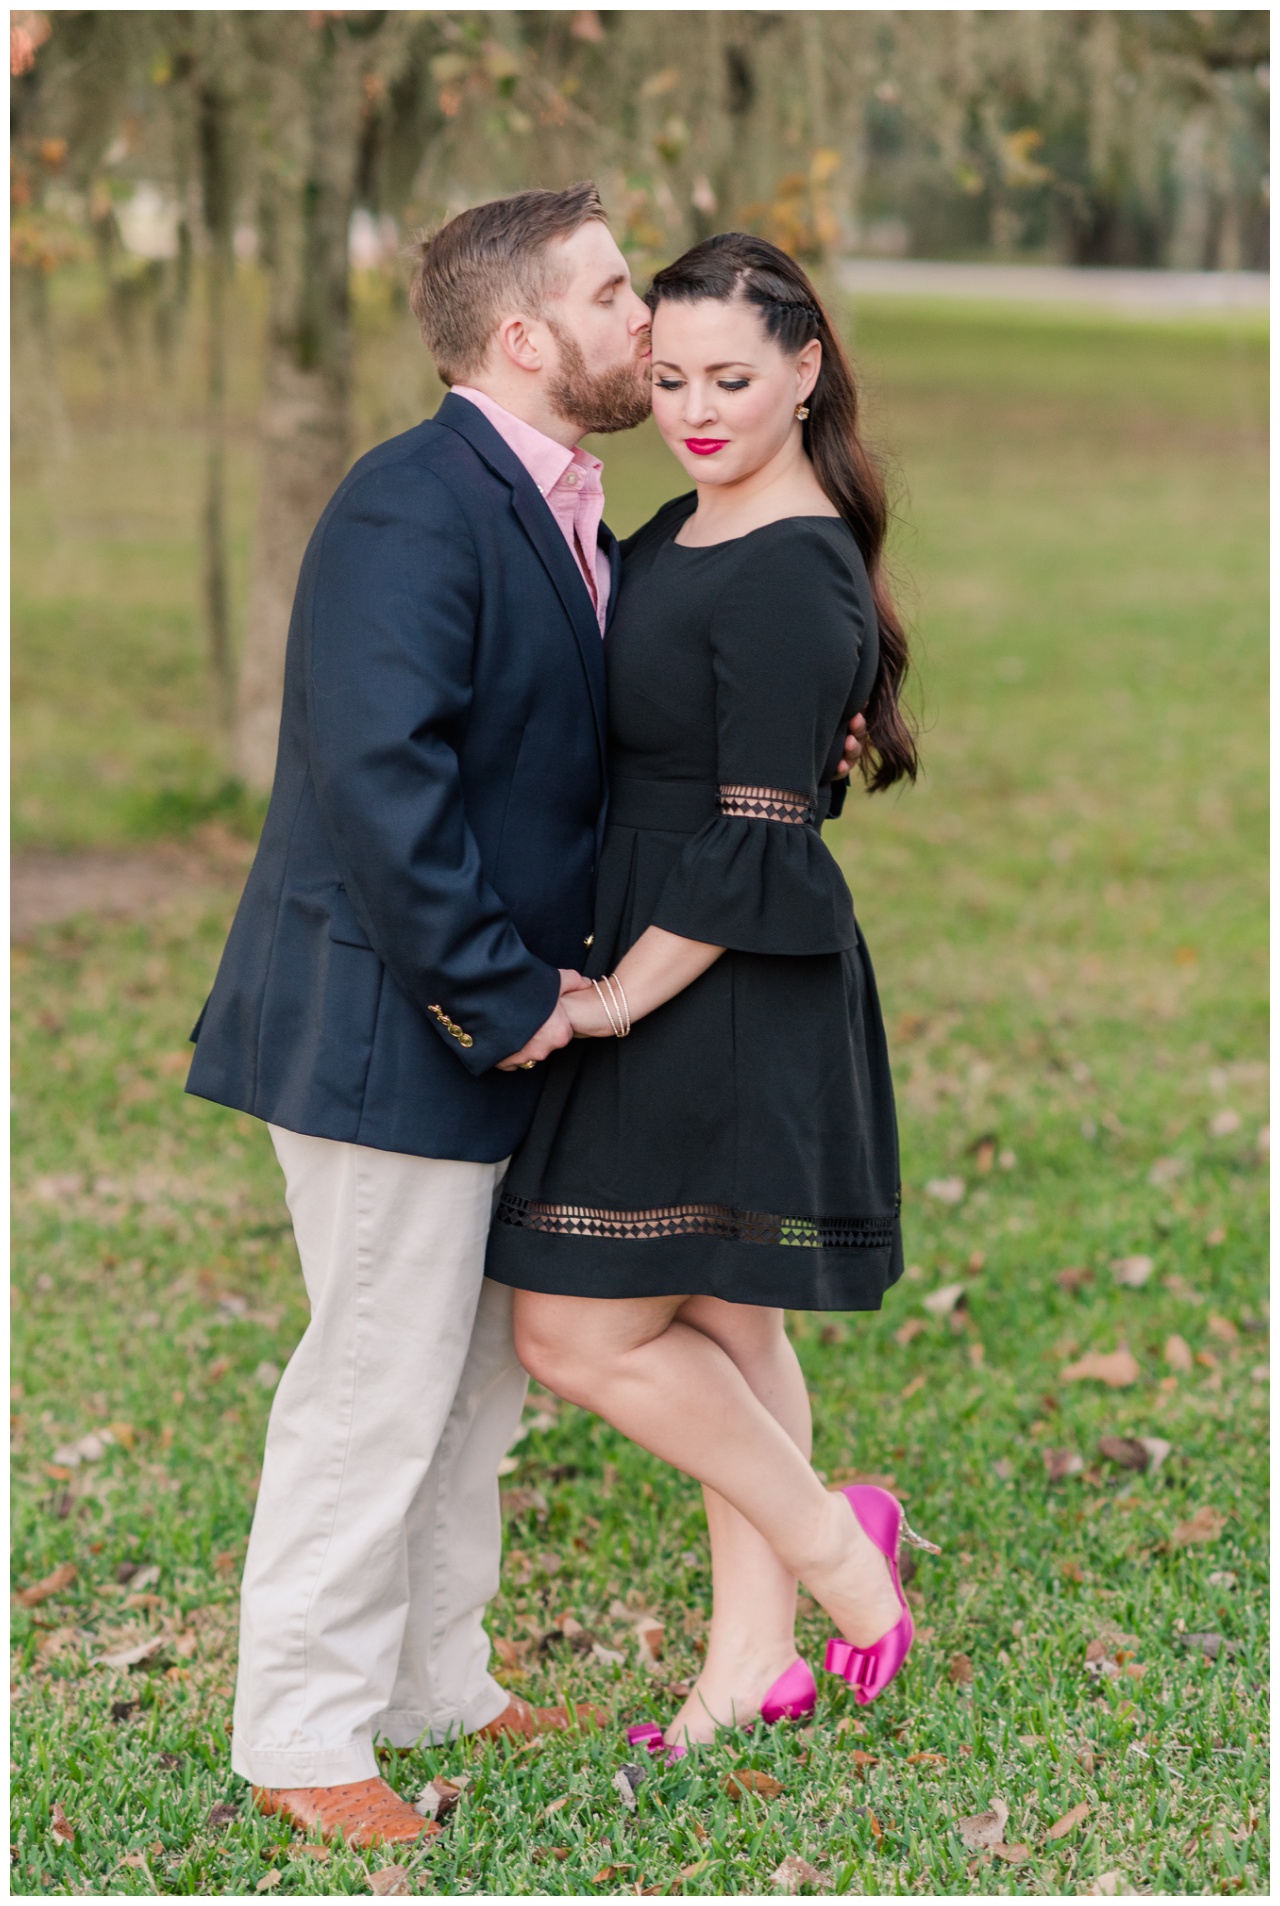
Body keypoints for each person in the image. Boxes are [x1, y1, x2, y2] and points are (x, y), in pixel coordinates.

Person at [186, 187, 867, 1846]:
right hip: (389, 1026)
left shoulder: (568, 500)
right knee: (373, 1382)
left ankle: (439, 1679)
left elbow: (634, 737)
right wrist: (506, 998)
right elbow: (379, 777)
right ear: (524, 335)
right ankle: (300, 1730)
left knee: (475, 1382)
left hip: (516, 1023)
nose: (652, 323)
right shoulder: (414, 503)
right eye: (617, 293)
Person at [487, 233, 937, 1755]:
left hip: (713, 984)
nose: (693, 406)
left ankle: (833, 1556)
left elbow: (757, 837)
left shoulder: (797, 570)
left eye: (732, 379)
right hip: (665, 941)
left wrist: (613, 1000)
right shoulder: (691, 518)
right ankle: (752, 1661)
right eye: (670, 376)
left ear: (806, 371)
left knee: (576, 1331)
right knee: (735, 1329)